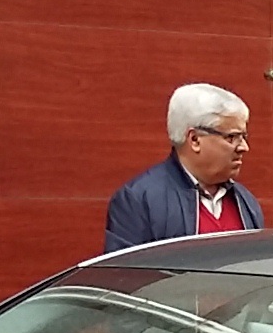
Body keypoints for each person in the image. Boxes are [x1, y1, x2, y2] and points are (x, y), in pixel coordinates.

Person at [101, 83, 262, 252]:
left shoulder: (245, 202)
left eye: (243, 136)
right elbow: (124, 275)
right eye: (232, 137)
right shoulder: (139, 200)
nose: (244, 147)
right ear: (194, 139)